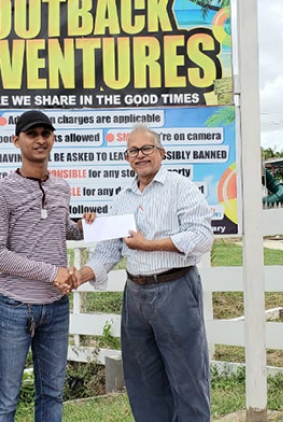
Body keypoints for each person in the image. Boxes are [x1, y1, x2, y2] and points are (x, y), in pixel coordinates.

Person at [72, 123, 214, 422]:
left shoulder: (181, 188)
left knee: (187, 376)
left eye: (146, 148)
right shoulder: (122, 197)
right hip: (135, 294)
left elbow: (202, 236)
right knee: (142, 379)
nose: (140, 155)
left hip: (174, 289)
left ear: (161, 152)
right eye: (133, 150)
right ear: (127, 158)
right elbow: (110, 250)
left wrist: (149, 245)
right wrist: (80, 275)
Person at [0, 109, 94, 422]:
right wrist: (50, 272)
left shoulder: (61, 187)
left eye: (46, 133)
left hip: (56, 308)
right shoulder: (0, 192)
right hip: (15, 307)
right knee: (6, 399)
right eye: (32, 134)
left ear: (53, 139)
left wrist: (85, 226)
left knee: (51, 394)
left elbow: (63, 230)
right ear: (17, 140)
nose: (40, 140)